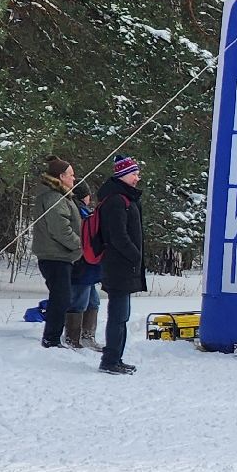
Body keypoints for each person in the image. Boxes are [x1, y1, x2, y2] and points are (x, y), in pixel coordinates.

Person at [94, 157, 146, 375]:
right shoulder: (116, 200)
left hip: (123, 265)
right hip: (119, 266)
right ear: (122, 175)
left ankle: (116, 357)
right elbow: (118, 235)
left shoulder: (125, 198)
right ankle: (110, 359)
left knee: (122, 315)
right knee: (118, 315)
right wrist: (135, 256)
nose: (137, 178)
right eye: (133, 174)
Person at [30, 155, 82, 350]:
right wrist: (80, 245)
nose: (74, 178)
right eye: (71, 175)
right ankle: (51, 339)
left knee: (62, 297)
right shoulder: (53, 197)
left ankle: (53, 337)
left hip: (61, 256)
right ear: (61, 176)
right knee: (61, 297)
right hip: (54, 256)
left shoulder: (61, 195)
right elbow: (60, 229)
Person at [68, 193, 102, 350]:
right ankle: (72, 337)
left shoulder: (85, 212)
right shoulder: (77, 211)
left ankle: (87, 335)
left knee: (93, 301)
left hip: (89, 264)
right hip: (81, 263)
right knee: (79, 300)